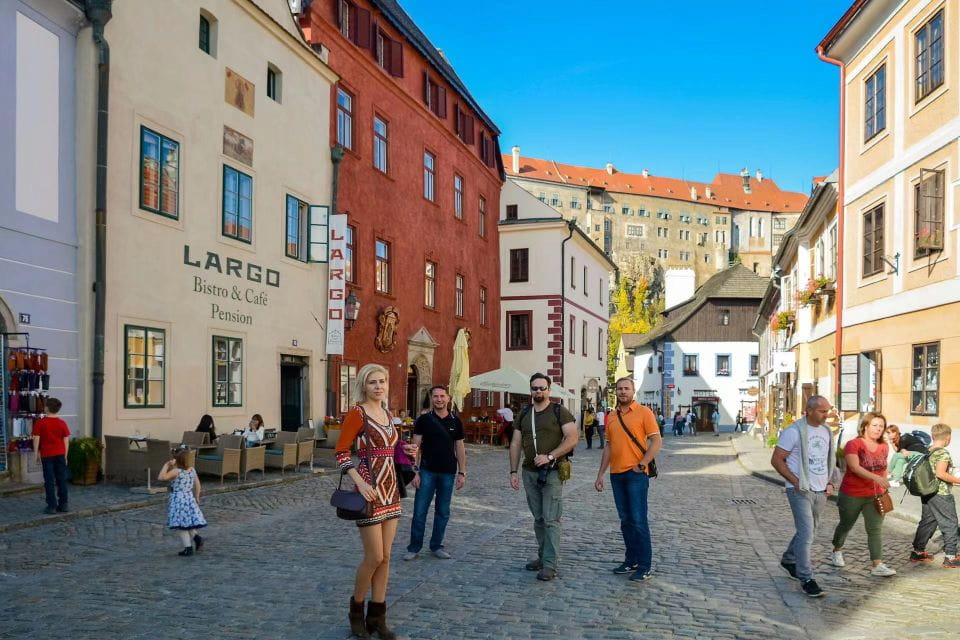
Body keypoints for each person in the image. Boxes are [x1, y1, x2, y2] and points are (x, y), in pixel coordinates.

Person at [336, 364, 417, 639]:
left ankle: (378, 617)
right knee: (374, 556)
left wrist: (406, 449)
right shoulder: (357, 414)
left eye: (382, 381)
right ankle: (356, 610)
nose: (378, 386)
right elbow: (341, 452)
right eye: (373, 382)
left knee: (387, 557)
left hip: (391, 489)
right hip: (368, 490)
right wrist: (359, 482)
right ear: (364, 385)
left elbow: (390, 448)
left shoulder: (386, 413)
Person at [508, 373, 578, 581]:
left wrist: (550, 456)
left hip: (553, 472)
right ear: (530, 390)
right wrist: (513, 471)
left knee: (551, 519)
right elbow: (515, 443)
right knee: (538, 519)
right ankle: (542, 556)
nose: (538, 391)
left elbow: (573, 437)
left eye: (542, 388)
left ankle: (550, 564)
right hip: (529, 472)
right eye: (534, 388)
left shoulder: (559, 411)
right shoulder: (524, 413)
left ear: (549, 389)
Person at [595, 377, 662, 582]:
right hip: (617, 475)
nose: (623, 392)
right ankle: (630, 560)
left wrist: (642, 464)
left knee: (638, 520)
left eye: (627, 388)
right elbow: (609, 446)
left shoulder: (644, 413)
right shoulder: (612, 417)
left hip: (635, 476)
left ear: (633, 391)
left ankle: (644, 566)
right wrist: (600, 474)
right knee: (625, 521)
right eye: (620, 389)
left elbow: (656, 440)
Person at [770, 395, 837, 598]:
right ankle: (806, 578)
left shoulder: (826, 431)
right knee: (807, 533)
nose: (827, 415)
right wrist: (795, 480)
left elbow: (830, 459)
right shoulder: (793, 432)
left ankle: (789, 559)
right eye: (822, 411)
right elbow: (776, 460)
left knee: (810, 530)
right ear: (809, 410)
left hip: (821, 489)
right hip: (799, 490)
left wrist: (831, 481)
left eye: (827, 410)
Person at [829, 412, 896, 577]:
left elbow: (883, 466)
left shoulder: (884, 446)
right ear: (865, 426)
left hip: (875, 495)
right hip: (852, 493)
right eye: (875, 425)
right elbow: (854, 467)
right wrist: (877, 479)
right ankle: (837, 550)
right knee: (846, 525)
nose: (878, 429)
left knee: (875, 529)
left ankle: (877, 564)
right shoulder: (854, 444)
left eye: (881, 426)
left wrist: (884, 481)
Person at [404, 385, 465, 562]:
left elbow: (460, 448)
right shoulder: (423, 420)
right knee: (419, 511)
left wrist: (462, 472)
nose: (439, 399)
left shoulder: (456, 421)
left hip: (448, 472)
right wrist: (414, 471)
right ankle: (414, 547)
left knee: (443, 511)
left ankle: (437, 545)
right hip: (426, 471)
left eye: (442, 396)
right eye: (435, 396)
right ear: (432, 399)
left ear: (448, 398)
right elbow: (415, 448)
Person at [911, 423, 960, 568]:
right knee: (950, 523)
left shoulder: (928, 450)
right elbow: (940, 474)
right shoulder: (943, 453)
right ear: (948, 438)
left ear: (933, 436)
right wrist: (958, 480)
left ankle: (918, 552)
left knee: (928, 521)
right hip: (941, 493)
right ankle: (951, 557)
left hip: (927, 493)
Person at [158, 445, 206, 556]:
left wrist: (166, 465)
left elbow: (161, 477)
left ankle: (188, 548)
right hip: (189, 498)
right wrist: (197, 496)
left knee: (181, 525)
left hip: (178, 499)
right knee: (187, 522)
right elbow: (197, 484)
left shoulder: (176, 471)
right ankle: (197, 539)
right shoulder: (191, 470)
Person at [32, 397, 70, 514]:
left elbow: (36, 439)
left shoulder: (40, 423)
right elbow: (66, 440)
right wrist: (65, 455)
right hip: (60, 454)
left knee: (49, 480)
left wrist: (36, 454)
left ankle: (51, 506)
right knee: (61, 479)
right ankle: (63, 504)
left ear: (46, 408)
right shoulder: (62, 423)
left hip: (47, 454)